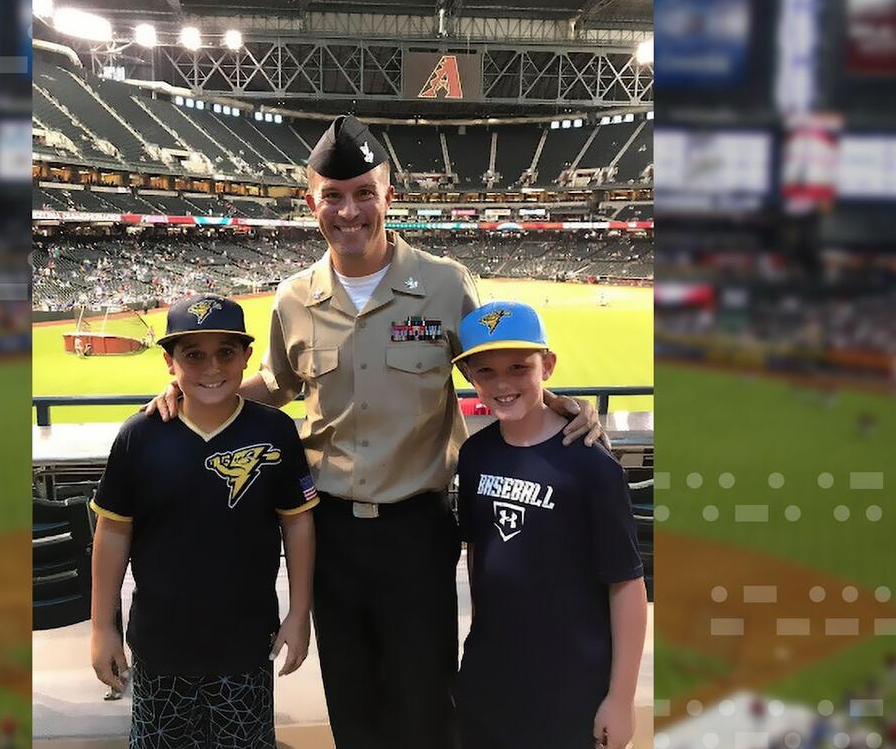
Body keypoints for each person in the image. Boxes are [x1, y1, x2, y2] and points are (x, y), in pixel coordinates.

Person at [145, 116, 606, 748]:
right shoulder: (293, 297)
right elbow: (276, 384)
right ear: (313, 203)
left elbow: (496, 363)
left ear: (389, 196)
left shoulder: (446, 283)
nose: (349, 209)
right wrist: (190, 392)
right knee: (353, 703)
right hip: (328, 531)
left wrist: (557, 402)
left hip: (417, 530)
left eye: (364, 192)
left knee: (425, 702)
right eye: (333, 196)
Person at [90, 294, 318, 749]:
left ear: (246, 357)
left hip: (246, 642)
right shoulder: (140, 435)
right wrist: (101, 626)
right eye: (194, 355)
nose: (212, 368)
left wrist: (299, 612)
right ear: (169, 362)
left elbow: (297, 524)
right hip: (160, 644)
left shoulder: (273, 430)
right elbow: (113, 531)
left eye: (225, 353)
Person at [451, 300, 648, 748]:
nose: (502, 384)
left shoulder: (591, 465)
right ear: (469, 378)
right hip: (491, 673)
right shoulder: (475, 454)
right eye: (486, 372)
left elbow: (626, 585)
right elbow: (480, 554)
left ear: (548, 365)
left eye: (519, 367)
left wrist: (620, 699)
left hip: (571, 680)